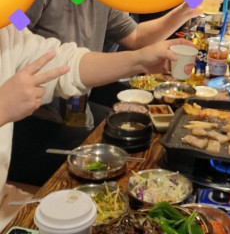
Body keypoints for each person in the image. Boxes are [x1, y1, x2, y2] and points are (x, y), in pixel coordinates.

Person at [9, 0, 210, 186]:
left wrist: (184, 12)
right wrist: (20, 19)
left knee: (134, 144)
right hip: (34, 117)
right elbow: (16, 25)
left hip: (78, 102)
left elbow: (136, 37)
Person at [0, 23, 191, 229]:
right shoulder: (23, 10)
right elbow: (25, 18)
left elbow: (65, 63)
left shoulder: (6, 28)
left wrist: (140, 60)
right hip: (43, 119)